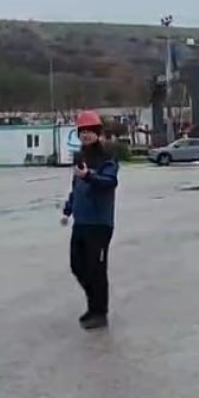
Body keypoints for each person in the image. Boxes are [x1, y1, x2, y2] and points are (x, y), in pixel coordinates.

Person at [60, 110, 119, 330]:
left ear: (98, 133)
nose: (86, 135)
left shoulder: (106, 158)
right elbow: (77, 187)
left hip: (100, 223)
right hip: (81, 222)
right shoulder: (80, 157)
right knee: (77, 265)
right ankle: (93, 304)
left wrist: (89, 176)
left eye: (90, 132)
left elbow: (109, 182)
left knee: (97, 268)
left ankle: (99, 312)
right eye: (82, 132)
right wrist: (68, 209)